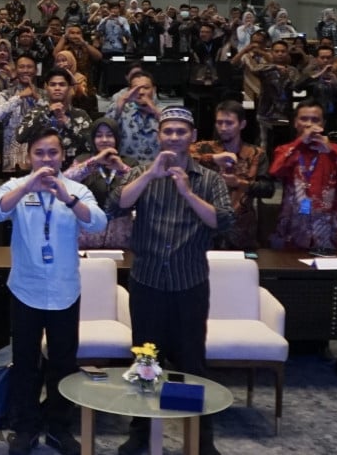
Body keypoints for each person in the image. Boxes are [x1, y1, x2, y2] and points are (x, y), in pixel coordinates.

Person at [109, 107, 235, 455]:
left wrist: (188, 193)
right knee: (146, 360)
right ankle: (141, 434)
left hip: (189, 284)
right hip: (148, 283)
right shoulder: (141, 173)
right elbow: (116, 205)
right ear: (158, 135)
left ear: (193, 136)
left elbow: (223, 222)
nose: (174, 137)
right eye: (168, 131)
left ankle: (198, 438)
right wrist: (150, 175)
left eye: (181, 131)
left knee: (191, 364)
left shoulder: (209, 179)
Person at [0, 130, 107, 455]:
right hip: (25, 290)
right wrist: (28, 185)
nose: (45, 159)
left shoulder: (77, 190)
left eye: (51, 153)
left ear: (62, 157)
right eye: (39, 153)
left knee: (63, 364)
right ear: (29, 157)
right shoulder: (16, 187)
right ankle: (24, 427)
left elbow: (98, 223)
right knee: (25, 363)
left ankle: (59, 427)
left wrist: (66, 196)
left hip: (65, 291)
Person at [269, 101, 337, 252]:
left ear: (323, 124)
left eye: (315, 120)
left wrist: (330, 151)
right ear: (295, 122)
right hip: (292, 229)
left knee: (328, 273)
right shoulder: (286, 150)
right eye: (303, 119)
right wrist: (300, 142)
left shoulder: (336, 150)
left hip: (327, 230)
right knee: (289, 270)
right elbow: (275, 171)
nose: (309, 124)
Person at [189, 102, 275, 250]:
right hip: (206, 228)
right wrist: (213, 158)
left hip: (242, 229)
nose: (223, 128)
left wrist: (239, 183)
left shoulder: (256, 154)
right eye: (219, 122)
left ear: (242, 124)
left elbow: (268, 189)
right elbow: (181, 157)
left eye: (229, 123)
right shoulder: (204, 148)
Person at [62, 118, 135, 249]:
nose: (104, 140)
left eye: (109, 135)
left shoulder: (130, 163)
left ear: (117, 138)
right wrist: (94, 162)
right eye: (99, 135)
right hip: (87, 233)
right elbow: (64, 182)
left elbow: (141, 188)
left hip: (120, 233)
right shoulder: (83, 161)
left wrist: (121, 168)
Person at [17, 68, 92, 168]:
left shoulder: (81, 115)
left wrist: (68, 124)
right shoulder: (36, 113)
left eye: (62, 84)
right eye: (52, 85)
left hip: (74, 173)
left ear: (69, 88)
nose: (57, 88)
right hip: (41, 171)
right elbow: (20, 137)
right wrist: (46, 114)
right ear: (46, 88)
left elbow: (91, 145)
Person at [103, 72, 161, 164]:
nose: (141, 92)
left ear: (154, 90)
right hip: (125, 170)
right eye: (135, 88)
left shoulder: (163, 113)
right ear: (129, 90)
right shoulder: (121, 109)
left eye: (146, 88)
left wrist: (154, 110)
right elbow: (104, 130)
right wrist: (123, 100)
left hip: (155, 171)